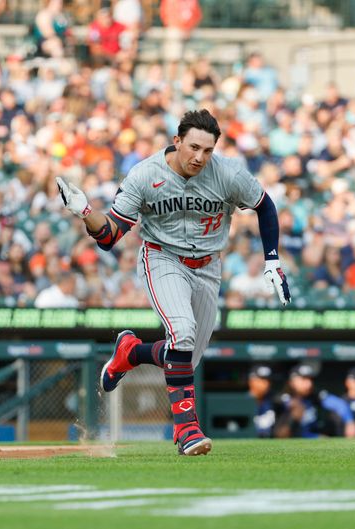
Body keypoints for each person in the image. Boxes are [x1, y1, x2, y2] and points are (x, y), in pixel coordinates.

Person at [56, 109, 290, 456]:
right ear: (177, 141)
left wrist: (273, 257)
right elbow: (109, 237)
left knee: (184, 358)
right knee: (181, 332)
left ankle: (130, 353)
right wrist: (87, 212)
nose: (199, 157)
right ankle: (187, 431)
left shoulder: (226, 173)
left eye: (207, 150)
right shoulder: (145, 174)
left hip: (209, 265)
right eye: (193, 147)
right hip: (162, 257)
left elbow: (264, 205)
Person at [274, 364, 355, 439]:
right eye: (304, 379)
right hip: (286, 437)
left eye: (310, 379)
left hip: (311, 434)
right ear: (292, 382)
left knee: (337, 416)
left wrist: (350, 421)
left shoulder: (314, 396)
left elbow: (339, 404)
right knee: (296, 408)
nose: (309, 383)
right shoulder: (283, 397)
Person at [248, 365, 276, 438]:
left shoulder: (274, 403)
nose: (266, 383)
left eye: (268, 380)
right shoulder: (241, 402)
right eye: (262, 379)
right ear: (251, 381)